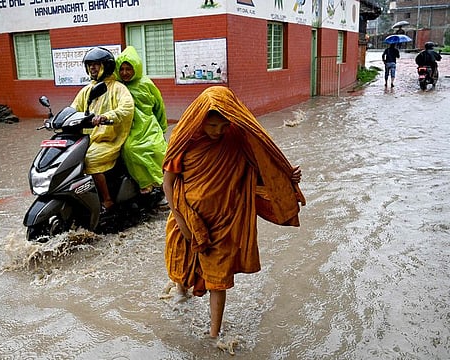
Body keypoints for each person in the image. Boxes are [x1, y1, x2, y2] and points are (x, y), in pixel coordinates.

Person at [162, 86, 306, 339]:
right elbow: (168, 182)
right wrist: (181, 219)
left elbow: (261, 167)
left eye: (222, 126)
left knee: (218, 277)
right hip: (187, 215)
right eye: (212, 126)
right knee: (182, 265)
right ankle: (181, 296)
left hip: (225, 219)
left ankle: (213, 334)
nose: (217, 132)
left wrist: (286, 177)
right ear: (199, 119)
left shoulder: (238, 138)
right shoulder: (184, 140)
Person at [71, 47, 134, 213]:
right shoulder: (86, 90)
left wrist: (106, 116)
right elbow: (73, 109)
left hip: (109, 139)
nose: (92, 68)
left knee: (89, 159)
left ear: (106, 66)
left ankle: (107, 199)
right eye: (90, 64)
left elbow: (127, 108)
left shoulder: (117, 88)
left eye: (96, 64)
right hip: (88, 139)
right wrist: (56, 119)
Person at [114, 46, 168, 195]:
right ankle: (145, 182)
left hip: (148, 124)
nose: (125, 72)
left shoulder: (146, 84)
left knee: (157, 149)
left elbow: (159, 106)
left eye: (128, 69)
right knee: (130, 149)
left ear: (135, 68)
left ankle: (164, 182)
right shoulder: (117, 86)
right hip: (128, 127)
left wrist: (162, 127)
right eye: (122, 69)